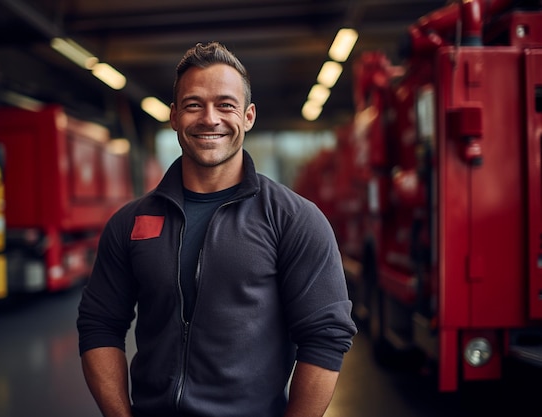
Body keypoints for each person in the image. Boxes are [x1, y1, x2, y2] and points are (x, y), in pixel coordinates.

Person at [77, 41, 357, 417]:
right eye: (194, 105)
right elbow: (99, 325)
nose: (210, 118)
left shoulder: (293, 219)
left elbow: (325, 337)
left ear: (248, 116)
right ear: (174, 116)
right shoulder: (129, 223)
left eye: (225, 105)